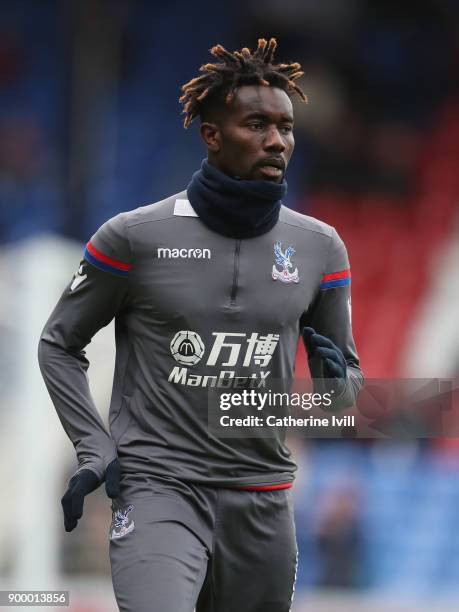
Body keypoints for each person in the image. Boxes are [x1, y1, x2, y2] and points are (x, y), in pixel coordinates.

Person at [38, 38, 363, 612]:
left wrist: (338, 387)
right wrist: (93, 446)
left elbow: (347, 394)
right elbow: (59, 343)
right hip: (158, 489)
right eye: (257, 124)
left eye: (286, 127)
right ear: (212, 135)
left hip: (263, 501)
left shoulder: (319, 249)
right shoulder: (132, 237)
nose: (276, 141)